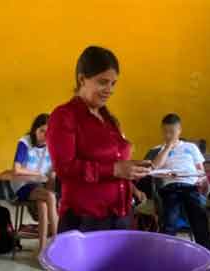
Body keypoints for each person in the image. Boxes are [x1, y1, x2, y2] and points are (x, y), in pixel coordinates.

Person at [47, 45, 151, 233]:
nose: (109, 90)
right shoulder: (65, 116)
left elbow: (116, 161)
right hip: (86, 219)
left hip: (121, 214)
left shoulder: (109, 119)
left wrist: (133, 169)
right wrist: (115, 169)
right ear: (81, 79)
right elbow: (64, 168)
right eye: (103, 82)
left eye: (113, 84)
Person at [151, 113, 210, 271]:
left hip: (190, 186)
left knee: (201, 222)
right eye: (165, 132)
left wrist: (203, 181)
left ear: (179, 130)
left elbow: (200, 170)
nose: (168, 135)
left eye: (172, 132)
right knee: (169, 223)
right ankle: (164, 266)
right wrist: (167, 147)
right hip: (170, 187)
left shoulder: (191, 148)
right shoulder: (159, 149)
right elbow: (155, 167)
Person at [11, 113, 58, 257]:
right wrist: (39, 175)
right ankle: (57, 243)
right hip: (23, 184)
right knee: (50, 197)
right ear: (34, 130)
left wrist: (52, 176)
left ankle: (42, 250)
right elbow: (17, 169)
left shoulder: (52, 144)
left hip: (41, 186)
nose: (45, 135)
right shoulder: (25, 142)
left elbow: (54, 170)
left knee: (43, 204)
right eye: (42, 130)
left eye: (49, 132)